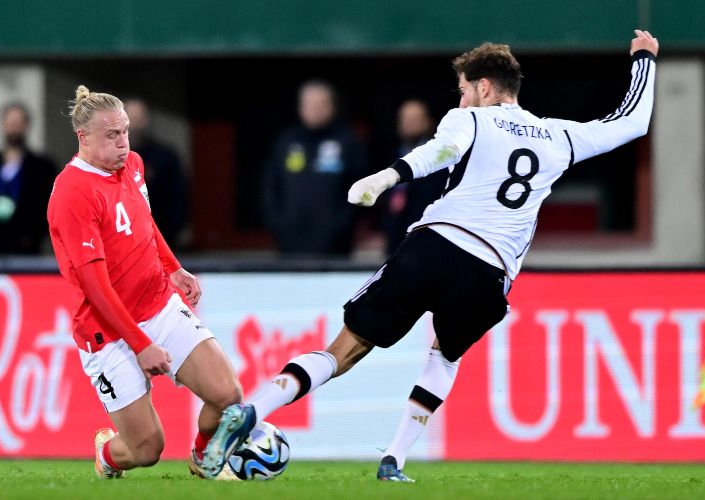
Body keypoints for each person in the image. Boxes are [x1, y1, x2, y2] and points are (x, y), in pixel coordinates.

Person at [199, 30, 659, 481]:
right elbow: (632, 123)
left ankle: (252, 410)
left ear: (483, 88)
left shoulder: (471, 120)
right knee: (444, 357)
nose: (460, 100)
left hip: (436, 246)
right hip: (489, 275)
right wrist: (644, 60)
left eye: (463, 91)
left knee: (344, 350)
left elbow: (440, 151)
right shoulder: (558, 136)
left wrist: (384, 178)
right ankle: (394, 461)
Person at [47, 86, 242, 479]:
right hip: (108, 331)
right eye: (112, 135)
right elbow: (95, 287)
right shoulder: (72, 193)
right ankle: (107, 456)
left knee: (227, 397)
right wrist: (141, 345)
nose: (123, 144)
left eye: (126, 132)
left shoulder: (132, 165)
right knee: (147, 448)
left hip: (158, 305)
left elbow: (144, 221)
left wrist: (173, 267)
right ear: (82, 136)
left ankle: (204, 460)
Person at [262, 80, 367, 256]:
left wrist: (340, 227)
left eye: (321, 104)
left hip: (335, 246)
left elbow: (359, 189)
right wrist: (279, 224)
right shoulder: (286, 142)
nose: (315, 109)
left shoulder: (347, 142)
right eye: (309, 104)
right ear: (300, 107)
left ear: (332, 107)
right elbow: (271, 187)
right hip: (289, 244)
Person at [0, 103, 57, 254]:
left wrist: (33, 235)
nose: (14, 128)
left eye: (18, 123)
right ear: (3, 125)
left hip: (26, 249)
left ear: (26, 126)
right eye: (10, 123)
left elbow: (50, 206)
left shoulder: (42, 167)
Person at [383, 100, 448, 254]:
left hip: (428, 240)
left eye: (415, 119)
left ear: (428, 122)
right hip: (395, 241)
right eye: (405, 120)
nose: (409, 124)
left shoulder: (440, 161)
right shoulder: (391, 157)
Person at [125, 98, 188, 248]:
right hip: (121, 240)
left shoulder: (165, 157)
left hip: (161, 239)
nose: (133, 125)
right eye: (129, 118)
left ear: (146, 120)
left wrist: (173, 232)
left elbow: (178, 197)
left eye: (138, 118)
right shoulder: (106, 158)